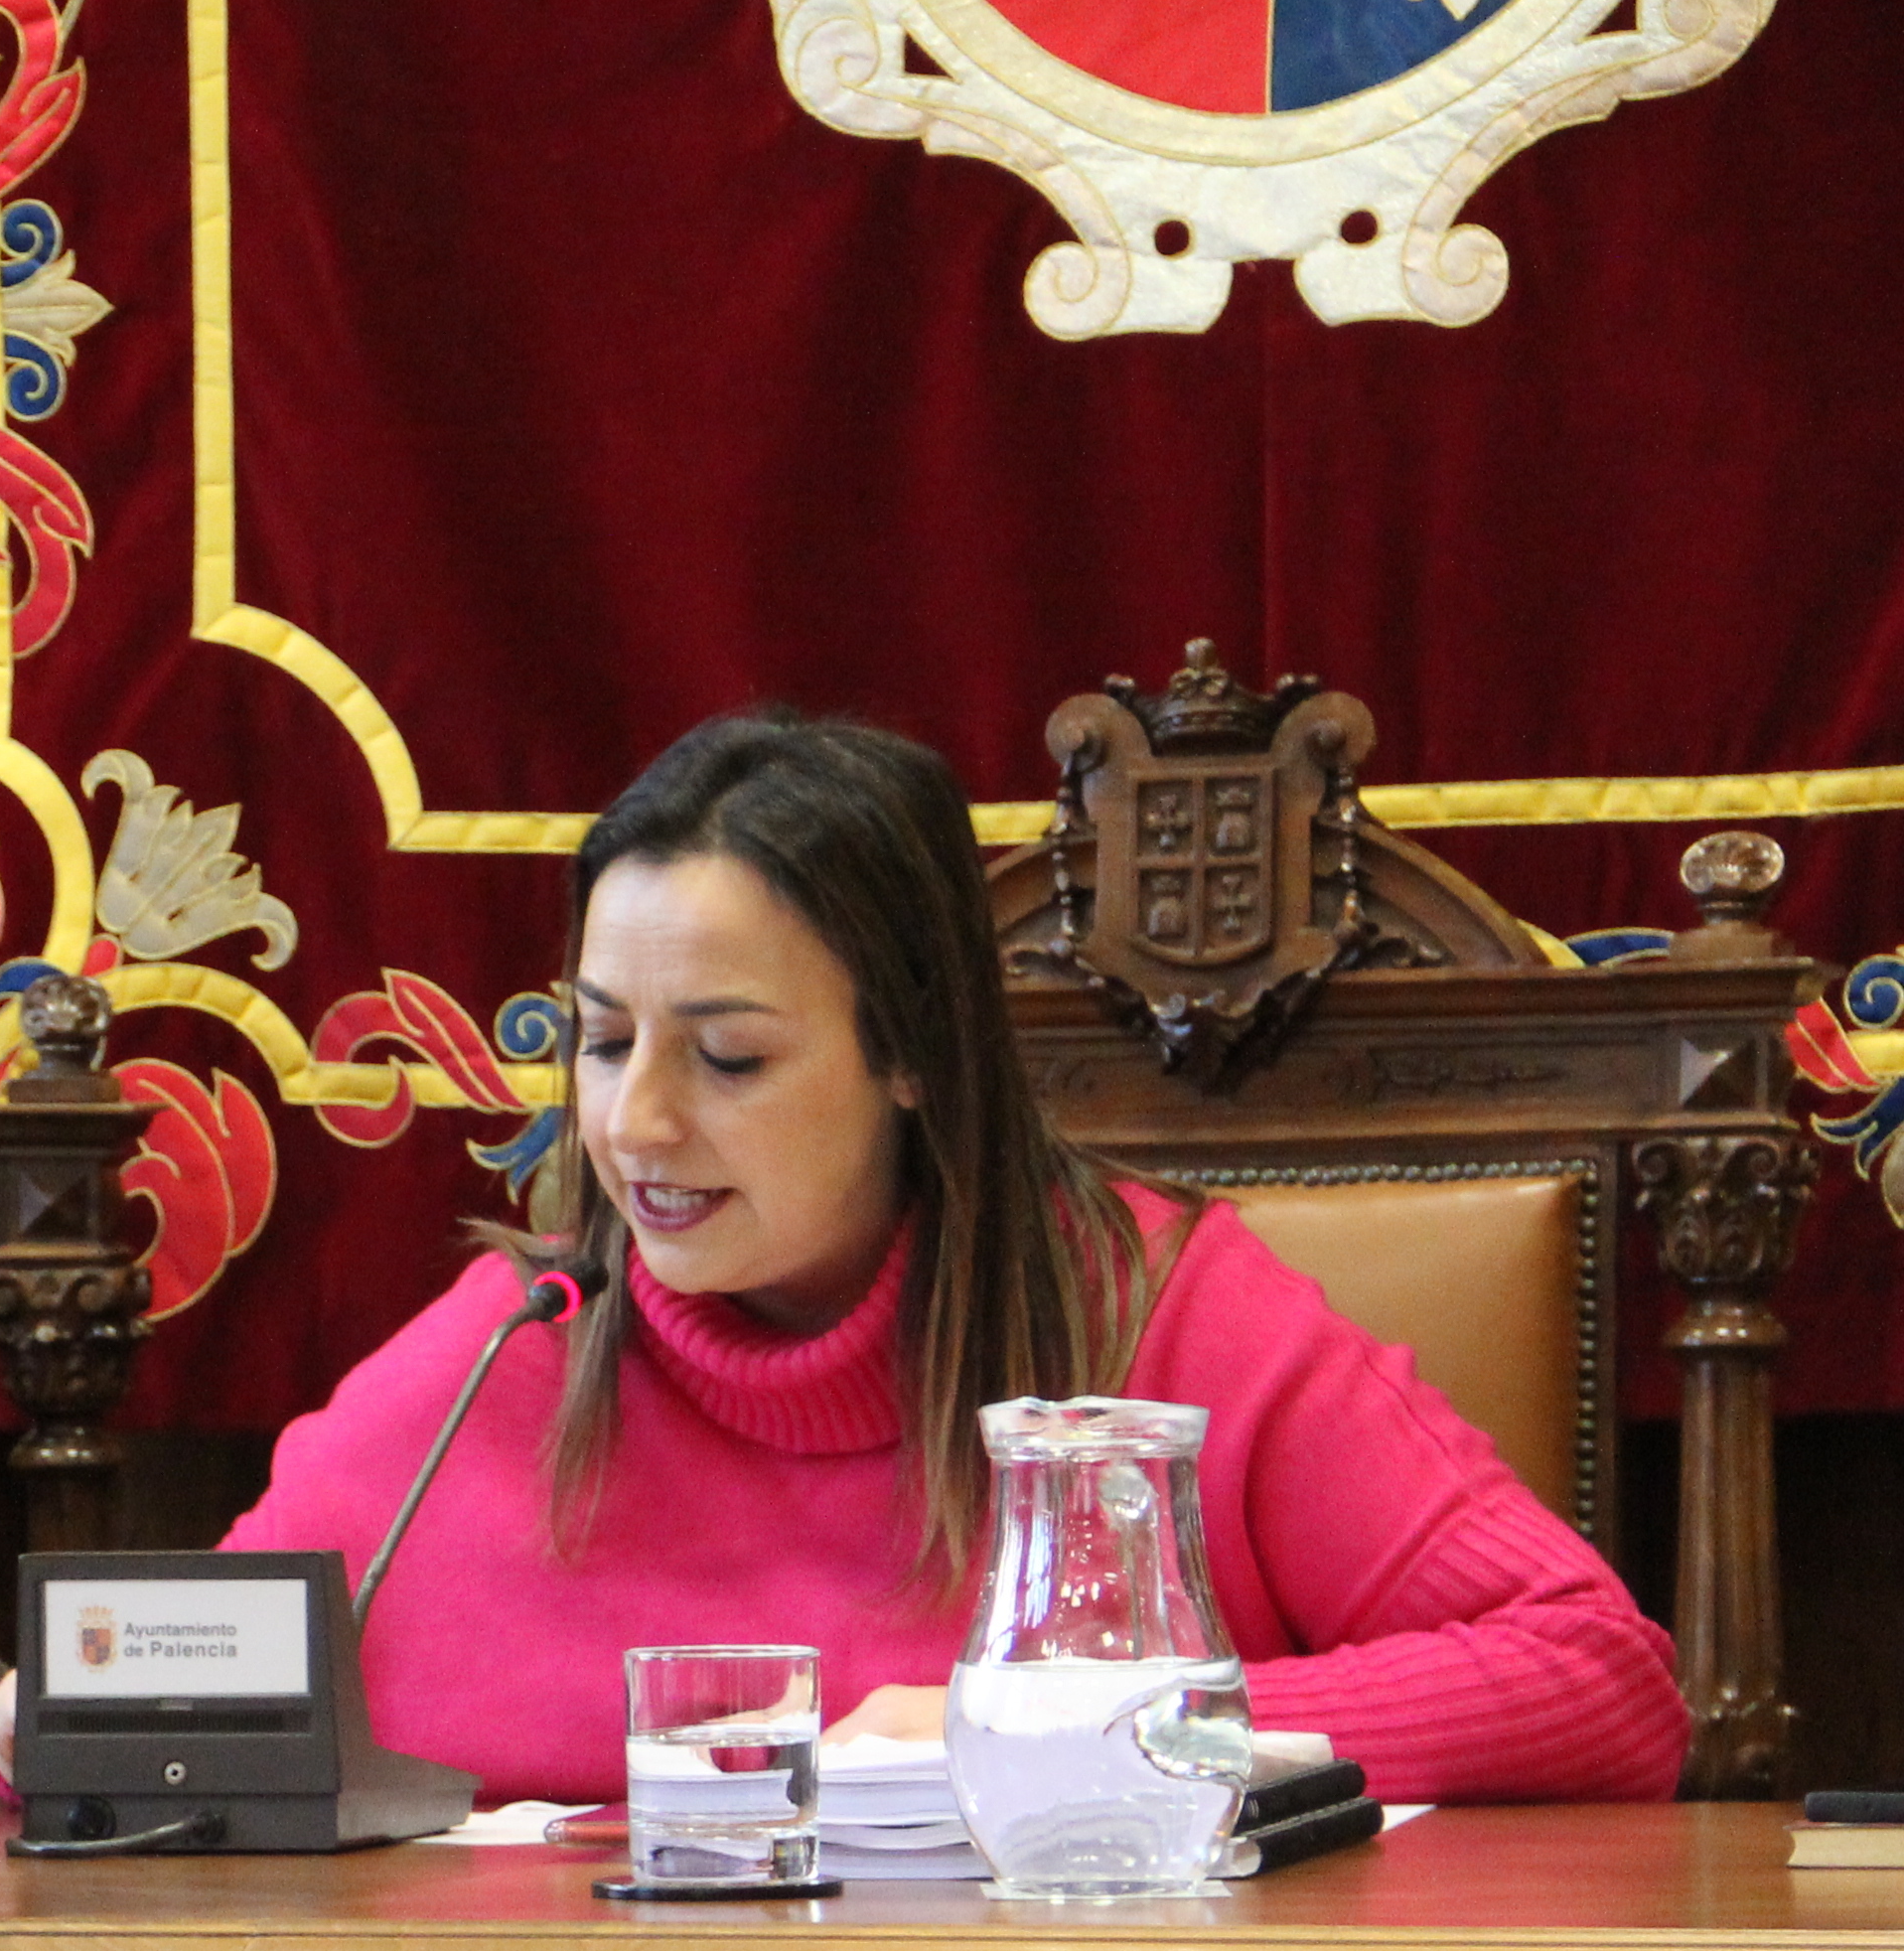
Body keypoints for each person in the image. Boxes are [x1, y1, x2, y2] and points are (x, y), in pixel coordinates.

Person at [119, 709, 1685, 1808]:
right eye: (602, 1045)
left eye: (727, 1060)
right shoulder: (508, 1342)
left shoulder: (1159, 1321)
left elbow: (1599, 1680)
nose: (636, 1124)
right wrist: (56, 1714)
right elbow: (150, 1703)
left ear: (913, 1055)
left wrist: (1071, 1729)